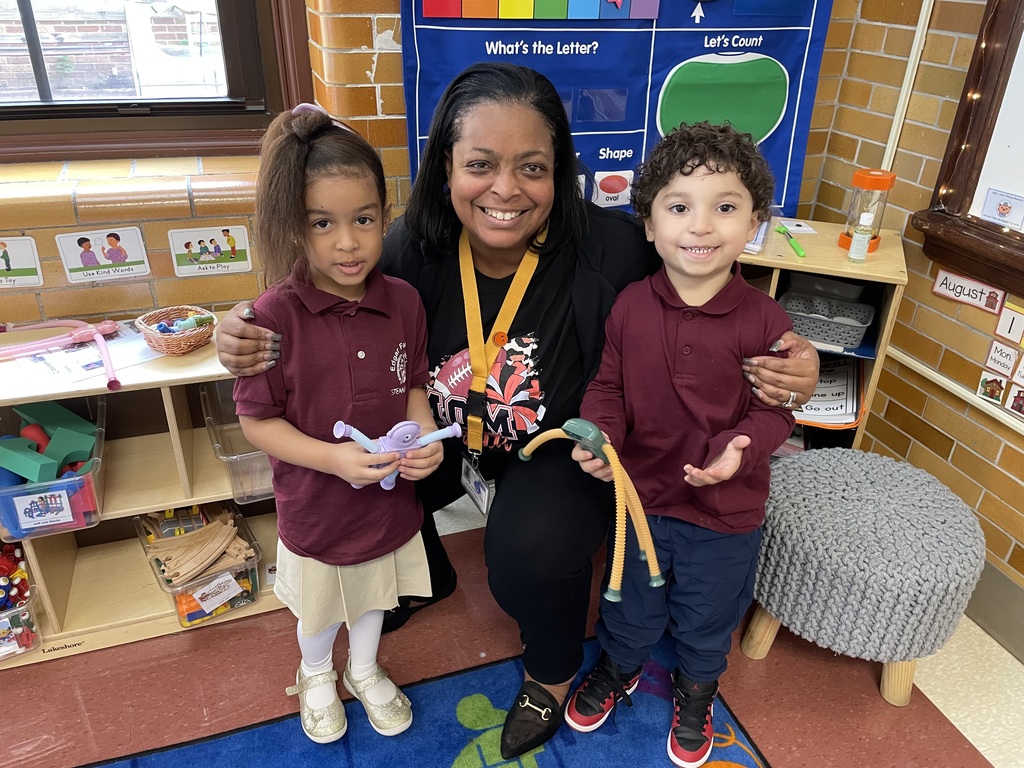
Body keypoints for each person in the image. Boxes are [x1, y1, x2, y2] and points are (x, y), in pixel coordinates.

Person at [213, 63, 819, 759]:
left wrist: (794, 362)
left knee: (529, 551)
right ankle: (418, 572)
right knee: (366, 478)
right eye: (480, 164)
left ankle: (552, 673)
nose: (505, 189)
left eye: (532, 166)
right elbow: (313, 282)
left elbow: (704, 285)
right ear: (446, 165)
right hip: (437, 434)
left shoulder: (610, 249)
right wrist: (243, 322)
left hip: (555, 447)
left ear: (561, 170)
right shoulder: (407, 248)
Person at [564, 122, 795, 768]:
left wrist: (740, 447)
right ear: (647, 224)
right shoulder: (630, 307)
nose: (700, 226)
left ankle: (697, 690)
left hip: (727, 516)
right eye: (678, 206)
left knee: (706, 617)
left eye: (725, 207)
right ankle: (620, 666)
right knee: (630, 603)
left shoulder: (766, 320)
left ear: (754, 223)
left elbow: (777, 417)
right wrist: (601, 435)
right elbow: (606, 386)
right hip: (641, 503)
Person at [231, 103, 446, 746]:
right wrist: (333, 460)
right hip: (316, 507)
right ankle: (318, 672)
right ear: (294, 227)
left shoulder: (403, 300)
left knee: (378, 595)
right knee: (321, 610)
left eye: (364, 219)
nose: (347, 242)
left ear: (386, 216)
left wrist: (424, 437)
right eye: (321, 223)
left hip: (387, 504)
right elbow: (257, 423)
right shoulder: (272, 316)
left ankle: (363, 667)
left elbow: (411, 387)